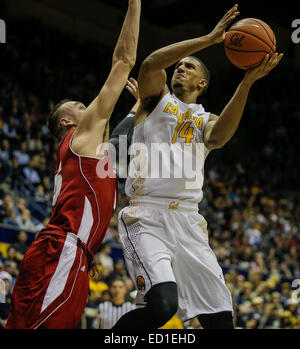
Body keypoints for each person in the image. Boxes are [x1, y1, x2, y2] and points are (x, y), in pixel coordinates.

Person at [112, 4, 283, 329]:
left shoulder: (207, 119)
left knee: (220, 320)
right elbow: (150, 63)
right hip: (146, 216)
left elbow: (218, 138)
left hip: (189, 221)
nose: (181, 68)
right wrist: (210, 38)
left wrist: (246, 83)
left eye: (189, 67)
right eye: (179, 65)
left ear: (202, 83)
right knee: (162, 306)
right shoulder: (154, 100)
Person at [6, 0, 141, 329]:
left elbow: (114, 142)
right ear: (68, 121)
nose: (90, 108)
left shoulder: (86, 153)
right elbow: (124, 60)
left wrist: (137, 110)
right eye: (81, 106)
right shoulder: (79, 139)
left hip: (70, 255)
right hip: (62, 252)